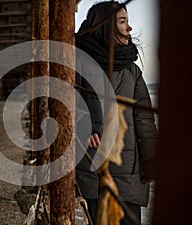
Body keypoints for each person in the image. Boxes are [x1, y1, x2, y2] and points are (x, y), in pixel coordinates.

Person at [75, 1, 158, 224]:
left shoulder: (132, 70)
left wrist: (151, 161)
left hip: (128, 170)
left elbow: (144, 119)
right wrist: (83, 128)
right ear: (105, 27)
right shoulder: (77, 64)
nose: (129, 28)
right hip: (92, 168)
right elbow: (65, 105)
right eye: (122, 22)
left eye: (128, 21)